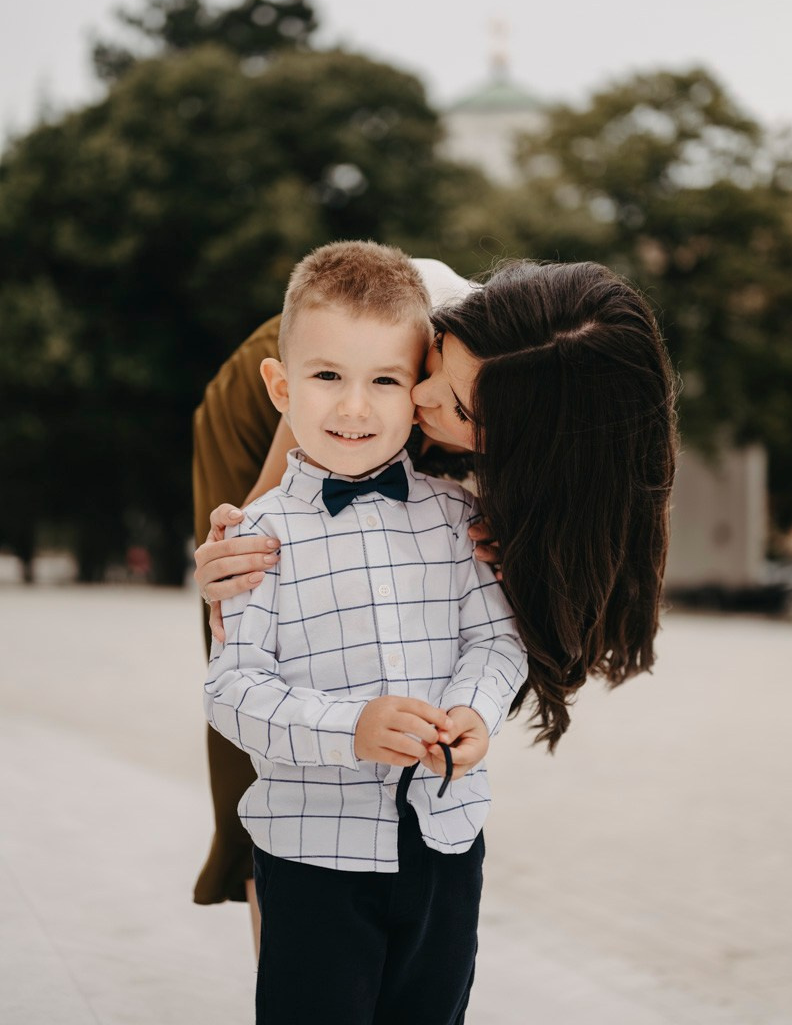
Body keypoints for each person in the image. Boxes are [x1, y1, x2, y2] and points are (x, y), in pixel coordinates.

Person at [194, 249, 677, 931]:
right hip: (307, 386)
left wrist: (510, 554)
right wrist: (225, 568)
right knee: (272, 730)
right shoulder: (414, 329)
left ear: (522, 449)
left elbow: (495, 624)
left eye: (456, 406)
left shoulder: (557, 467)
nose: (421, 397)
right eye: (437, 366)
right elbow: (271, 521)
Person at [203, 240, 528, 1024]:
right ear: (281, 386)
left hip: (445, 842)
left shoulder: (459, 517)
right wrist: (354, 726)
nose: (355, 408)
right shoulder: (258, 538)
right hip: (317, 854)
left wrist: (475, 711)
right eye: (326, 378)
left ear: (420, 383)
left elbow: (497, 641)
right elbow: (232, 690)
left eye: (385, 380)